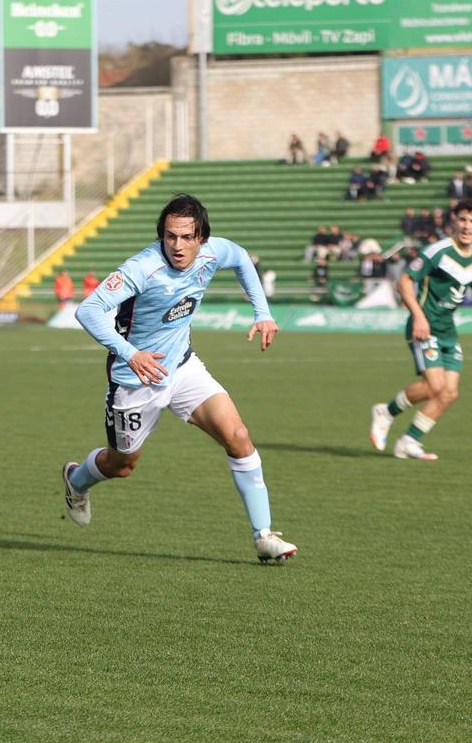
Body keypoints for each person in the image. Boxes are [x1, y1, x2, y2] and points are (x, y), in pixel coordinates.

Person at [60, 193, 296, 564]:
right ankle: (76, 481)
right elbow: (88, 310)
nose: (178, 245)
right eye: (170, 236)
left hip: (183, 367)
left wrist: (262, 312)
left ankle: (264, 536)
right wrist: (130, 353)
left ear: (201, 236)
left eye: (187, 237)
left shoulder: (214, 252)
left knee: (238, 437)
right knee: (123, 465)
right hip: (134, 380)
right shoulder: (142, 268)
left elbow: (242, 258)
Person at [369, 199, 472, 461]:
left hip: (447, 330)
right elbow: (405, 281)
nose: (467, 226)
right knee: (434, 386)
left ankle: (409, 441)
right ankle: (385, 412)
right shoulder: (438, 252)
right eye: (462, 219)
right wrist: (418, 317)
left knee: (449, 393)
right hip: (424, 326)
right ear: (454, 221)